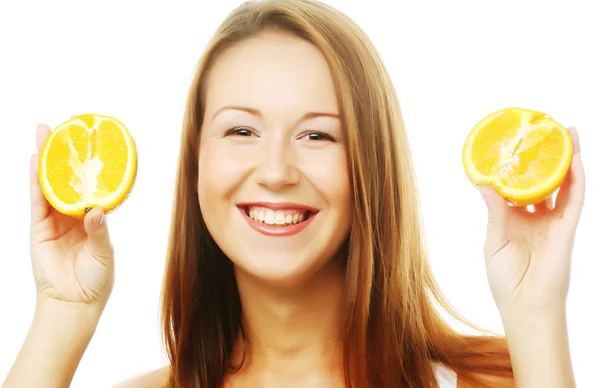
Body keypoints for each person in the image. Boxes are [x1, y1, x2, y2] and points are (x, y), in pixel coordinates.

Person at [3, 0, 585, 387]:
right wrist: (63, 311)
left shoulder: (500, 380)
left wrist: (536, 314)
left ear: (370, 167)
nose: (276, 170)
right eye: (241, 130)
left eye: (316, 134)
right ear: (196, 164)